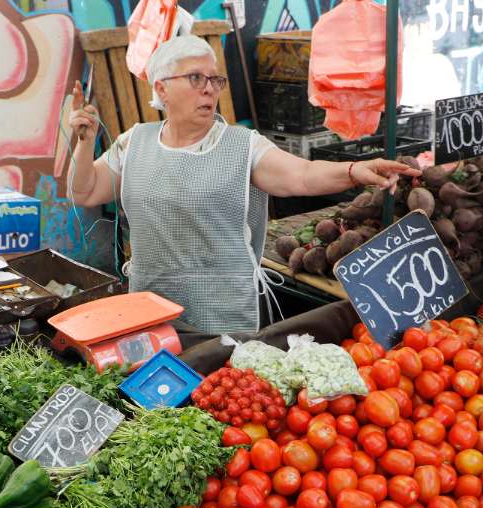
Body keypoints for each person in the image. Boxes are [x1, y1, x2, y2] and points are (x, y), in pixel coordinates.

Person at [66, 36, 419, 335]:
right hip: (151, 309)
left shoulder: (241, 145)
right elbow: (86, 191)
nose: (209, 88)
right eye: (195, 78)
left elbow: (303, 175)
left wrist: (355, 170)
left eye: (214, 80)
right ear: (162, 88)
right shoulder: (135, 142)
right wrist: (84, 145)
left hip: (222, 316)